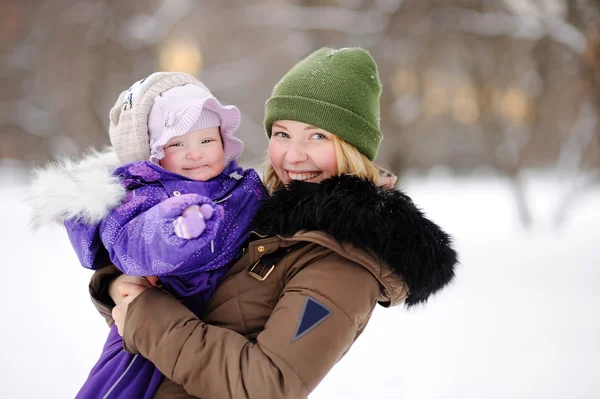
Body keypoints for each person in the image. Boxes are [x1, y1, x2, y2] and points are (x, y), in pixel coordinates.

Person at [88, 47, 458, 398]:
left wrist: (143, 312)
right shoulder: (262, 210)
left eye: (317, 136)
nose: (294, 155)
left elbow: (267, 386)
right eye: (282, 133)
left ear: (352, 148)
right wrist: (120, 283)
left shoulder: (344, 262)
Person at [29, 72, 267, 398]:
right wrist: (174, 230)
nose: (195, 153)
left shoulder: (241, 186)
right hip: (152, 314)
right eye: (177, 144)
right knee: (117, 386)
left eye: (207, 140)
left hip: (208, 330)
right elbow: (130, 244)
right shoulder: (144, 194)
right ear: (151, 153)